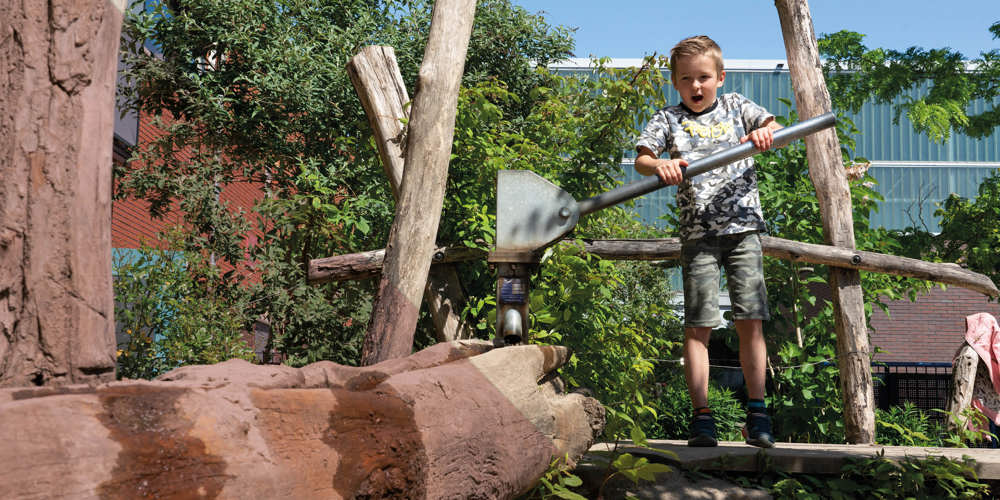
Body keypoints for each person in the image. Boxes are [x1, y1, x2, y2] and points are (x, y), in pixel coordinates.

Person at [634, 35, 782, 448]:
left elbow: (775, 126)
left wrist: (767, 133)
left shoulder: (737, 106)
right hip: (698, 233)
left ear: (719, 77)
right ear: (676, 84)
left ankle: (757, 412)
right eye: (686, 80)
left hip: (743, 229)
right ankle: (702, 417)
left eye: (703, 78)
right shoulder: (668, 118)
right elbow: (642, 158)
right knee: (698, 324)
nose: (696, 87)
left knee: (750, 320)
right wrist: (659, 163)